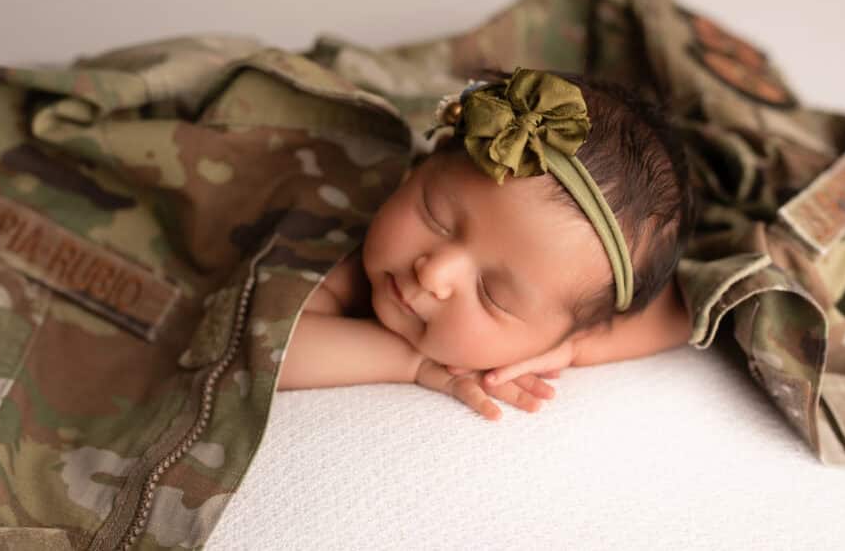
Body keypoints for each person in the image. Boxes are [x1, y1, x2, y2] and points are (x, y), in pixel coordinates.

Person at [278, 67, 696, 420]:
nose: (433, 272)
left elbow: (683, 312)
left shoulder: (574, 319)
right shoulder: (343, 251)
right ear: (426, 162)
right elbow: (271, 346)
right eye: (436, 217)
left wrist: (573, 347)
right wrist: (413, 363)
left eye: (493, 295)